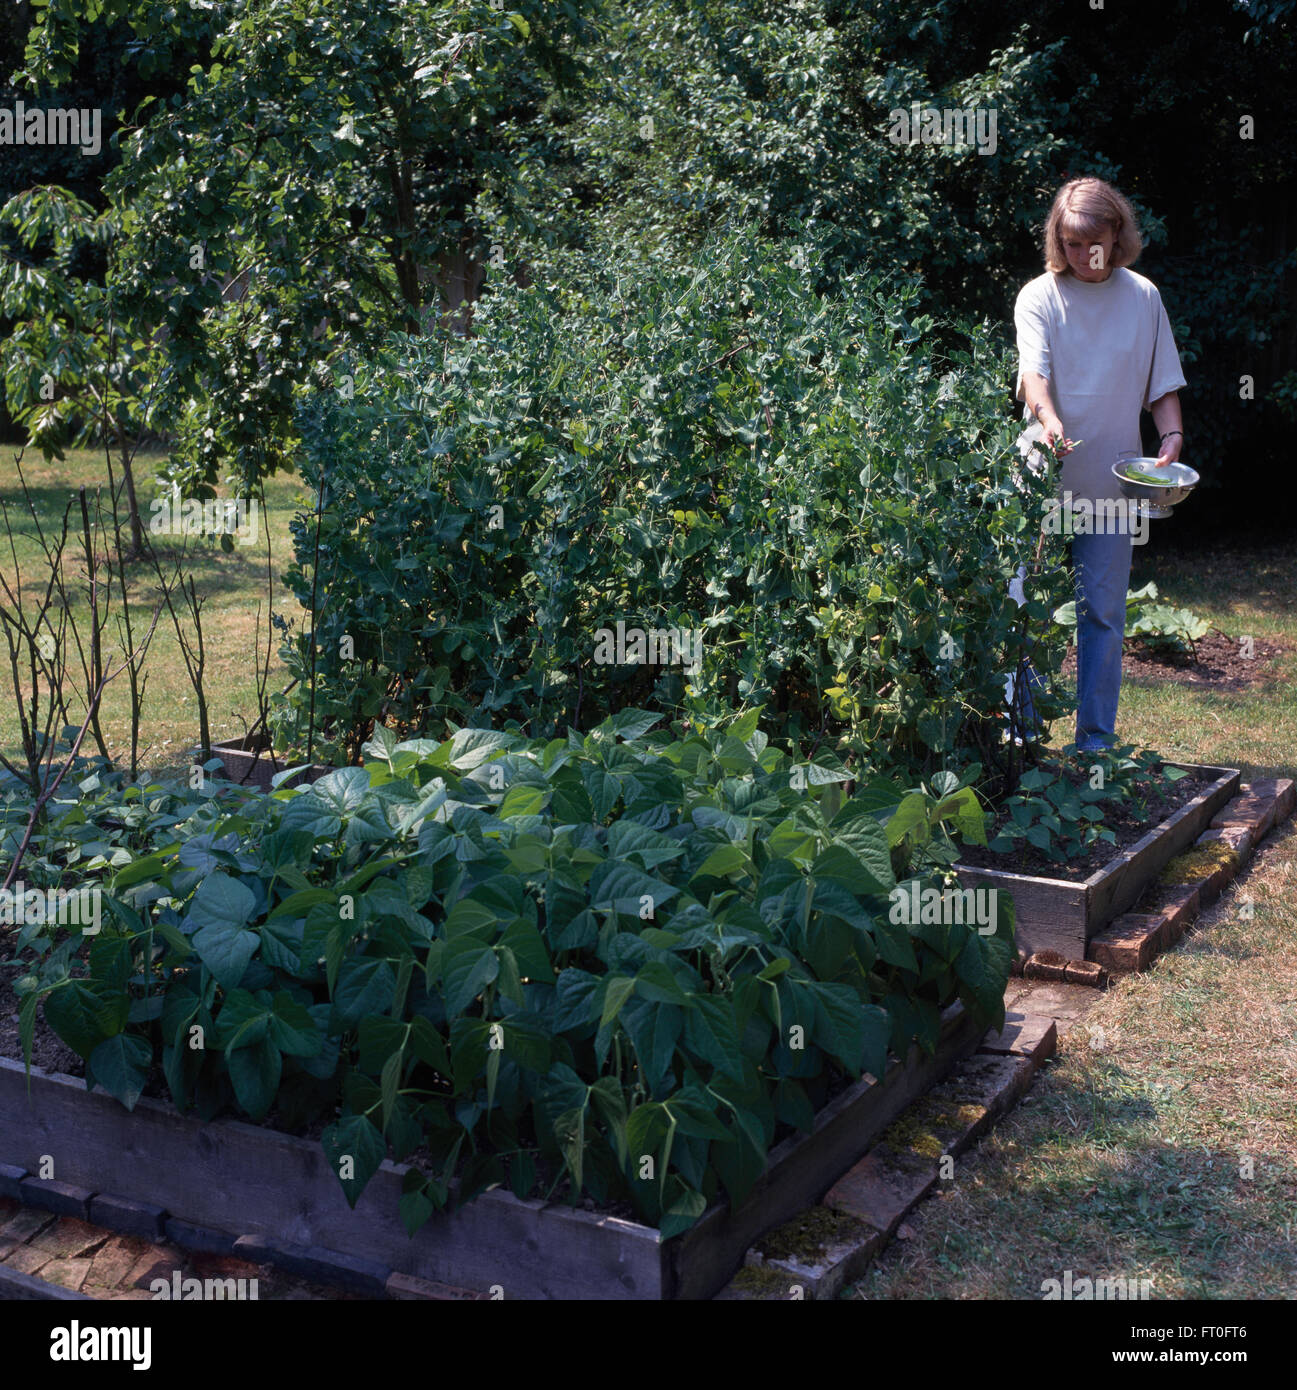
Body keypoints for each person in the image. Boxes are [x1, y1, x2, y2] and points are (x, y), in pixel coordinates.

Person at [1012, 177, 1187, 754]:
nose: (1082, 255)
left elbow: (1162, 384)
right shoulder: (1038, 296)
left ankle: (1095, 745)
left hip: (1111, 487)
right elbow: (1034, 377)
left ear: (1117, 235)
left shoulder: (1143, 297)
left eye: (1094, 242)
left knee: (1105, 617)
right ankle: (1023, 739)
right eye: (1068, 243)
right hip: (1041, 480)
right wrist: (1051, 421)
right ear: (1056, 241)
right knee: (1026, 613)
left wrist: (1172, 433)